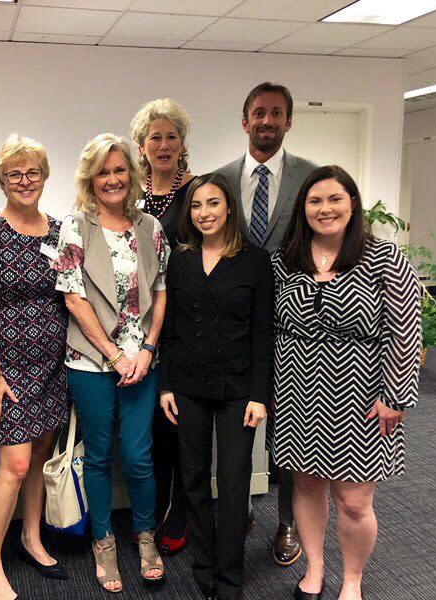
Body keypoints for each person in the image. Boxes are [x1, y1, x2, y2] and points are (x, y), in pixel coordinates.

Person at [271, 165, 421, 600]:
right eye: (315, 201)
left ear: (352, 204)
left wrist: (395, 397)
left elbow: (405, 329)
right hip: (296, 390)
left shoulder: (384, 257)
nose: (325, 209)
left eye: (335, 199)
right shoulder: (287, 259)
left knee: (354, 502)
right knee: (305, 485)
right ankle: (315, 569)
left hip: (361, 395)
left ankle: (352, 580)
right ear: (304, 208)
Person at [53, 133, 169, 594]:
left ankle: (144, 539)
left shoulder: (151, 228)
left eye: (120, 170)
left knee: (140, 459)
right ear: (90, 178)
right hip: (91, 362)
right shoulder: (75, 226)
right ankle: (104, 543)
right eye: (103, 171)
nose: (113, 179)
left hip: (142, 363)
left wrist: (147, 348)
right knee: (98, 457)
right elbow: (73, 298)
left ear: (132, 175)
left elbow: (161, 290)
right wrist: (115, 354)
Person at [215, 81, 317, 566]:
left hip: (294, 328)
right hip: (234, 330)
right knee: (235, 430)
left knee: (290, 437)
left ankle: (288, 522)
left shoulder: (312, 180)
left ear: (289, 121)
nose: (267, 121)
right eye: (259, 113)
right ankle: (239, 512)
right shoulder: (219, 180)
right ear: (244, 120)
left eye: (277, 113)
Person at [159, 173, 274, 600]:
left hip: (238, 391)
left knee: (232, 483)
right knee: (191, 480)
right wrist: (166, 385)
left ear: (229, 208)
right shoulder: (181, 260)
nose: (204, 213)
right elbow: (170, 327)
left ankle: (230, 575)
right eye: (195, 206)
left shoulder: (255, 261)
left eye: (212, 204)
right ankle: (203, 563)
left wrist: (260, 396)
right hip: (186, 387)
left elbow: (263, 334)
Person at [0, 134, 70, 600]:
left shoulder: (60, 230)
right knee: (15, 463)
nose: (24, 181)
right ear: (2, 181)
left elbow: (71, 297)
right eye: (15, 174)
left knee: (41, 457)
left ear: (44, 177)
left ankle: (32, 537)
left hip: (52, 363)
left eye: (33, 173)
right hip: (5, 368)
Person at [129, 97, 195, 555]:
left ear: (182, 143)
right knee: (151, 424)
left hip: (187, 321)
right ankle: (151, 513)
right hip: (139, 323)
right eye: (156, 137)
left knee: (179, 425)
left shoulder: (199, 189)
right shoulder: (129, 192)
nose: (164, 144)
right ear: (141, 145)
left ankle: (183, 512)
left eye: (172, 136)